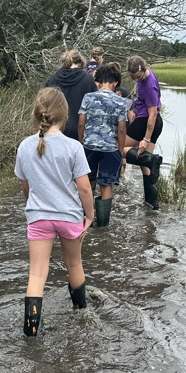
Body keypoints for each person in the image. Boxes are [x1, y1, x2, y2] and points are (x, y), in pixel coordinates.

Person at [15, 87, 94, 337]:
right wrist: (89, 216)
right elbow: (84, 189)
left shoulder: (25, 146)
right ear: (64, 114)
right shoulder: (73, 147)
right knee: (74, 264)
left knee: (37, 272)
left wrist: (35, 205)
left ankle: (30, 331)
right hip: (69, 216)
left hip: (38, 217)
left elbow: (25, 185)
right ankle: (81, 313)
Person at [77, 64, 129, 228]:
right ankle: (103, 224)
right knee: (106, 185)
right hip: (110, 148)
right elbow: (121, 129)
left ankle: (87, 219)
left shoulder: (88, 97)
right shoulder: (120, 101)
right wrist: (120, 152)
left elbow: (80, 123)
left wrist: (81, 143)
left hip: (89, 146)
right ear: (115, 83)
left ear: (98, 82)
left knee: (88, 181)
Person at [123, 55, 164, 210]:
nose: (137, 80)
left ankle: (149, 160)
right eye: (134, 78)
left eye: (139, 78)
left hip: (147, 122)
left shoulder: (150, 85)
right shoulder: (143, 74)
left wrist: (146, 138)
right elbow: (137, 90)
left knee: (117, 149)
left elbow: (152, 113)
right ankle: (152, 203)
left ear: (143, 70)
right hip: (152, 122)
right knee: (146, 167)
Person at [45, 49, 97, 140]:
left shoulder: (53, 79)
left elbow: (44, 102)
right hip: (80, 131)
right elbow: (94, 107)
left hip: (56, 128)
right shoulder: (88, 80)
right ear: (80, 62)